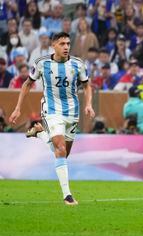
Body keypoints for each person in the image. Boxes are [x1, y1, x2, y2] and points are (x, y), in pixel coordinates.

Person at [8, 32, 95, 206]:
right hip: (51, 109)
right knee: (60, 149)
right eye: (62, 44)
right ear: (53, 45)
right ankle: (67, 195)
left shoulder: (78, 64)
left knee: (63, 154)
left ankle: (40, 134)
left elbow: (87, 86)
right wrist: (17, 108)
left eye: (68, 44)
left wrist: (89, 104)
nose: (66, 47)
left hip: (72, 111)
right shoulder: (42, 63)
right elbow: (27, 84)